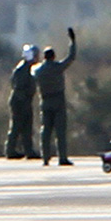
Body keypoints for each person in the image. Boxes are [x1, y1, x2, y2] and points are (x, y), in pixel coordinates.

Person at [33, 27, 76, 166]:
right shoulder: (58, 67)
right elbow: (71, 57)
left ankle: (45, 158)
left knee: (45, 131)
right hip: (58, 99)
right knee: (60, 131)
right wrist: (72, 42)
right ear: (53, 56)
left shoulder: (38, 70)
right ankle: (62, 157)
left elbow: (32, 74)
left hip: (44, 100)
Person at [4, 44, 40, 160]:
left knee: (27, 127)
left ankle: (28, 150)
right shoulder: (22, 70)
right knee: (17, 125)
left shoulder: (30, 68)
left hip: (25, 100)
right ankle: (10, 150)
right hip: (20, 101)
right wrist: (24, 101)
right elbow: (18, 87)